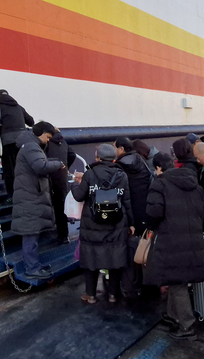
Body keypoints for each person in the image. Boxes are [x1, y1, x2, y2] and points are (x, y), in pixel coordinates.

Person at [145, 151, 204, 340]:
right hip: (192, 240)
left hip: (171, 240)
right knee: (176, 280)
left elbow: (154, 212)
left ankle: (187, 326)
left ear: (159, 168)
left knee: (178, 284)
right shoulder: (193, 183)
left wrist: (150, 226)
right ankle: (172, 315)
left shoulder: (159, 184)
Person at [71, 143, 134, 303]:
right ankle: (113, 294)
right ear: (114, 158)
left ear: (98, 157)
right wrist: (131, 223)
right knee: (115, 258)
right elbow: (126, 200)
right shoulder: (122, 175)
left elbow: (79, 196)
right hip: (117, 222)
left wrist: (74, 184)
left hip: (93, 223)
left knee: (91, 258)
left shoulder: (90, 174)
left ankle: (90, 295)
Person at [11, 122, 65, 279]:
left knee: (32, 235)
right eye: (47, 137)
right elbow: (40, 166)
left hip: (30, 196)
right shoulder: (31, 147)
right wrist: (58, 163)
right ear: (40, 133)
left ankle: (34, 265)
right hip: (30, 198)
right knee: (30, 235)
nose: (48, 140)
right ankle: (32, 268)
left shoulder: (29, 146)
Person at [0, 89, 35, 200]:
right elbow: (31, 121)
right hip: (23, 141)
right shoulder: (18, 106)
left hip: (8, 142)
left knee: (9, 170)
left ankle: (13, 196)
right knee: (24, 167)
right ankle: (27, 192)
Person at [44, 123, 76, 243]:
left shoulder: (46, 142)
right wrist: (65, 166)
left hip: (49, 176)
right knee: (61, 206)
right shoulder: (63, 141)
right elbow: (72, 155)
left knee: (49, 204)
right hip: (62, 177)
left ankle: (49, 231)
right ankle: (63, 235)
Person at [115, 137, 152, 235]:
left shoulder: (119, 165)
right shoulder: (141, 159)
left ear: (121, 149)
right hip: (144, 202)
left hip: (129, 204)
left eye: (114, 147)